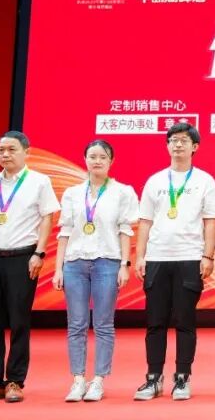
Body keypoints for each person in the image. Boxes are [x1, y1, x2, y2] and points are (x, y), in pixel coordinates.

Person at [0, 131, 60, 404]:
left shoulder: (39, 181)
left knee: (19, 321)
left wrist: (39, 252)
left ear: (26, 152)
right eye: (1, 150)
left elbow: (47, 218)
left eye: (11, 149)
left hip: (23, 258)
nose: (5, 154)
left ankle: (15, 381)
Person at [133, 123, 215, 401]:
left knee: (185, 321)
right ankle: (153, 377)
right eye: (173, 140)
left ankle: (182, 377)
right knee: (155, 322)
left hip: (189, 258)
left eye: (183, 140)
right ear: (167, 145)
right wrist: (140, 256)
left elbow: (210, 222)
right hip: (157, 258)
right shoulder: (155, 181)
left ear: (195, 147)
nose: (178, 145)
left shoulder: (205, 181)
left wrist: (207, 256)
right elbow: (145, 222)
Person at [52, 140, 138, 402]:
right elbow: (65, 232)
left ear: (111, 161)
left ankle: (98, 380)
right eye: (92, 156)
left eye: (102, 157)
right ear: (85, 160)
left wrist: (124, 265)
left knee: (103, 324)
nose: (97, 161)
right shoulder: (72, 193)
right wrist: (58, 269)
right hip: (74, 263)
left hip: (107, 262)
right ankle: (78, 379)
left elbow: (125, 230)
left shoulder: (122, 192)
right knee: (76, 324)